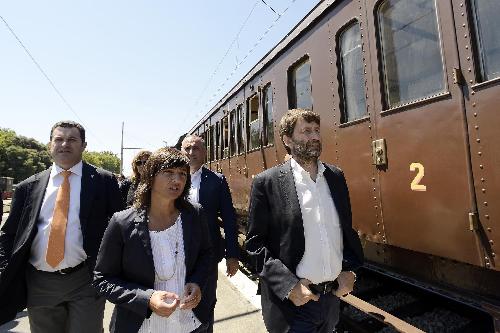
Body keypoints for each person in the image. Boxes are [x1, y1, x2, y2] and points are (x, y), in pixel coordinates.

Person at [245, 109, 364, 333]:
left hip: (331, 301)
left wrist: (350, 270)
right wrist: (289, 287)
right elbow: (254, 245)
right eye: (306, 131)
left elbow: (345, 231)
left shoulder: (335, 177)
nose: (315, 136)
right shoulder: (267, 183)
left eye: (317, 130)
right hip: (293, 306)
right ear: (287, 140)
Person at [0, 120, 123, 331]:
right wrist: (5, 267)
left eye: (72, 139)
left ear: (84, 146)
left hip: (85, 280)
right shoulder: (28, 187)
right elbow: (9, 234)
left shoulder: (104, 182)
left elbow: (119, 230)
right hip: (39, 283)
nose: (64, 144)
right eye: (59, 139)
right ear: (50, 145)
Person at [93, 147, 213, 333]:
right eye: (168, 172)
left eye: (182, 173)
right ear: (150, 176)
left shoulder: (194, 214)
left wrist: (196, 282)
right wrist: (147, 299)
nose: (177, 180)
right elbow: (103, 279)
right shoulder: (122, 222)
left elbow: (206, 254)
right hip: (139, 326)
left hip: (189, 324)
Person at [181, 134, 239, 333]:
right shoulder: (170, 178)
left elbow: (230, 219)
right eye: (187, 148)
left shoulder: (217, 181)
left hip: (207, 255)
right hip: (174, 254)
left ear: (205, 152)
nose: (191, 153)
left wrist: (232, 254)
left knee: (205, 305)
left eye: (196, 148)